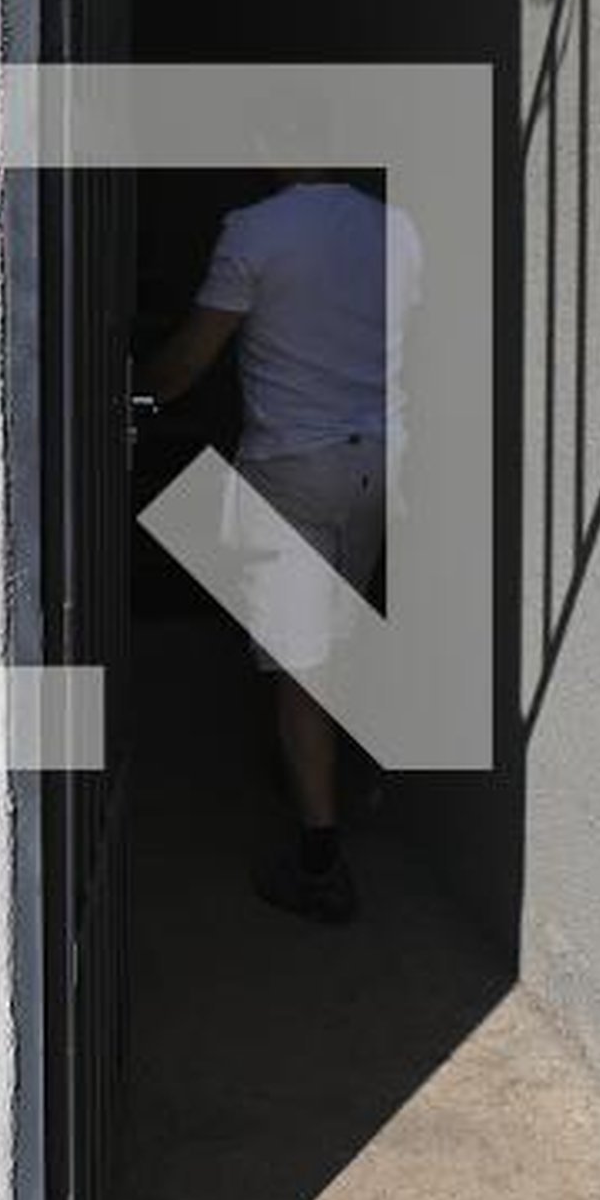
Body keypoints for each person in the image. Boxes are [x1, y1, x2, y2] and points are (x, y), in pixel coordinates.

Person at [136, 171, 420, 923]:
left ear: (269, 149)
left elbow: (193, 357)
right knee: (332, 637)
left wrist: (129, 393)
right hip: (377, 465)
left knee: (302, 665)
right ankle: (329, 778)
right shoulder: (396, 230)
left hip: (293, 469)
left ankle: (318, 860)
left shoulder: (255, 231)